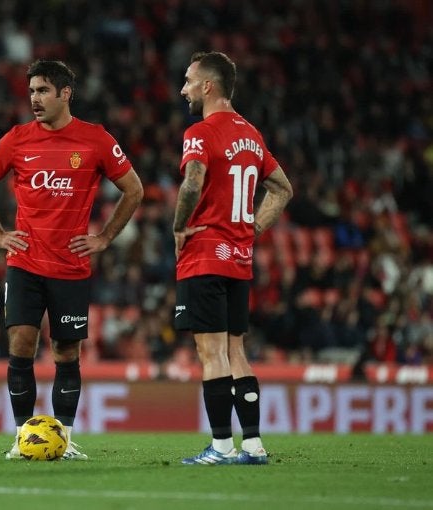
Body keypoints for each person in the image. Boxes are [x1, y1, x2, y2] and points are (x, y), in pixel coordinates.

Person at [0, 59, 143, 460]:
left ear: (66, 93)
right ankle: (20, 438)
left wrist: (104, 238)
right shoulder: (16, 139)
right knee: (21, 344)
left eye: (43, 90)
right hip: (25, 263)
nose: (34, 99)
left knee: (66, 352)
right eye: (31, 91)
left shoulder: (95, 140)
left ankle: (62, 438)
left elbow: (134, 190)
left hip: (70, 267)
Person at [172, 51, 293, 465]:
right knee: (237, 349)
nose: (183, 88)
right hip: (239, 258)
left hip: (205, 253)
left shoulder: (201, 132)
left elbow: (192, 182)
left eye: (188, 80)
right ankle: (254, 444)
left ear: (208, 85)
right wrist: (252, 230)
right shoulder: (252, 134)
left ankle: (222, 445)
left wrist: (178, 226)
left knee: (212, 353)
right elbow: (282, 189)